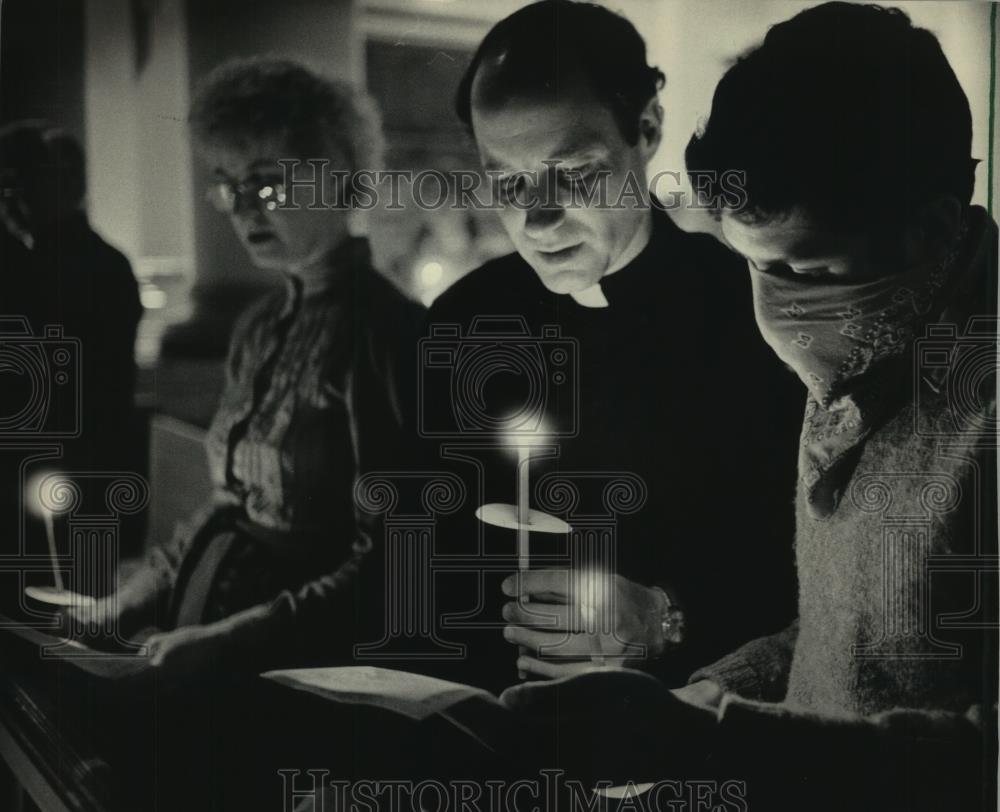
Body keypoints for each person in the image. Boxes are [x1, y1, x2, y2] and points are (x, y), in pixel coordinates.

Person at [501, 4, 997, 810]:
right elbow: (849, 648)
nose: (775, 308)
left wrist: (727, 740)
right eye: (753, 267)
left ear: (931, 228)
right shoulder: (865, 358)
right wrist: (703, 699)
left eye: (803, 270)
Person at [411, 0, 802, 691]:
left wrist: (667, 616)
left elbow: (808, 584)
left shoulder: (753, 318)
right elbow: (414, 558)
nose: (537, 218)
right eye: (506, 180)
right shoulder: (461, 324)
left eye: (574, 173)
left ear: (646, 128)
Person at [66, 58, 424, 683]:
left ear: (339, 180)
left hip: (306, 675)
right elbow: (227, 505)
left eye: (268, 183)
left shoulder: (385, 332)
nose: (244, 210)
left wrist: (231, 640)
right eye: (229, 185)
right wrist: (130, 599)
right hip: (200, 650)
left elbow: (392, 560)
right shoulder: (258, 326)